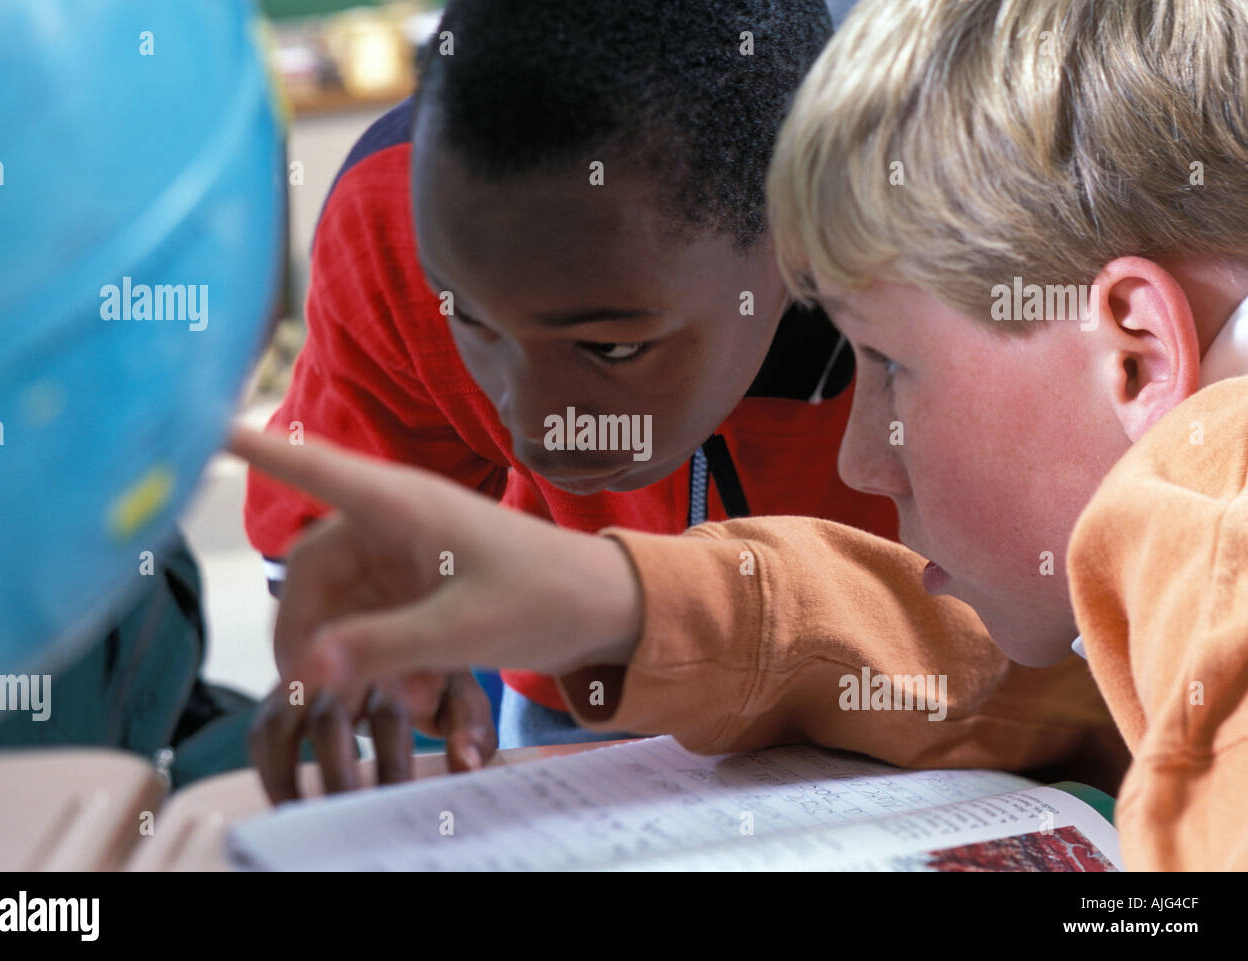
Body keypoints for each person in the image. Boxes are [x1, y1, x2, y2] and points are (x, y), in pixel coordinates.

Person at [233, 0, 1248, 869]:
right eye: (466, 319)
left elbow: (1055, 679)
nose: (538, 433)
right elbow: (1069, 682)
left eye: (885, 364)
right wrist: (615, 602)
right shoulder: (392, 217)